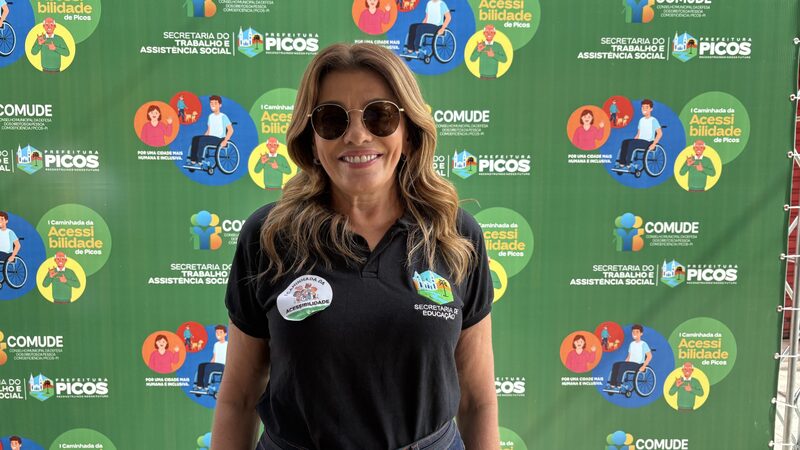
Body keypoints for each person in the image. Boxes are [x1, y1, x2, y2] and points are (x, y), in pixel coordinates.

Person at [212, 43, 497, 450]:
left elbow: (478, 401)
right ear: (312, 139)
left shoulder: (455, 235)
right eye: (332, 119)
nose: (358, 135)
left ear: (408, 132)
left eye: (380, 116)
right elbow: (238, 399)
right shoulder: (269, 236)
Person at [187, 95, 233, 166]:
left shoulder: (223, 116)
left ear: (220, 105)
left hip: (219, 139)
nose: (213, 105)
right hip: (211, 138)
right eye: (211, 103)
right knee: (195, 138)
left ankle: (199, 161)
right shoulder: (210, 116)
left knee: (202, 140)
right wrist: (202, 137)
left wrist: (225, 141)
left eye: (215, 103)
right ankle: (192, 160)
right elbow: (209, 130)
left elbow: (231, 130)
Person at [616, 99, 662, 168]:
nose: (644, 109)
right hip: (640, 141)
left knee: (632, 144)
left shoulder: (653, 120)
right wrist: (633, 139)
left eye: (646, 107)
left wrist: (654, 144)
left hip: (648, 142)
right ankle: (621, 163)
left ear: (651, 109)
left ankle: (628, 163)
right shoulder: (641, 120)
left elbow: (660, 133)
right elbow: (638, 133)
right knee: (625, 142)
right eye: (643, 107)